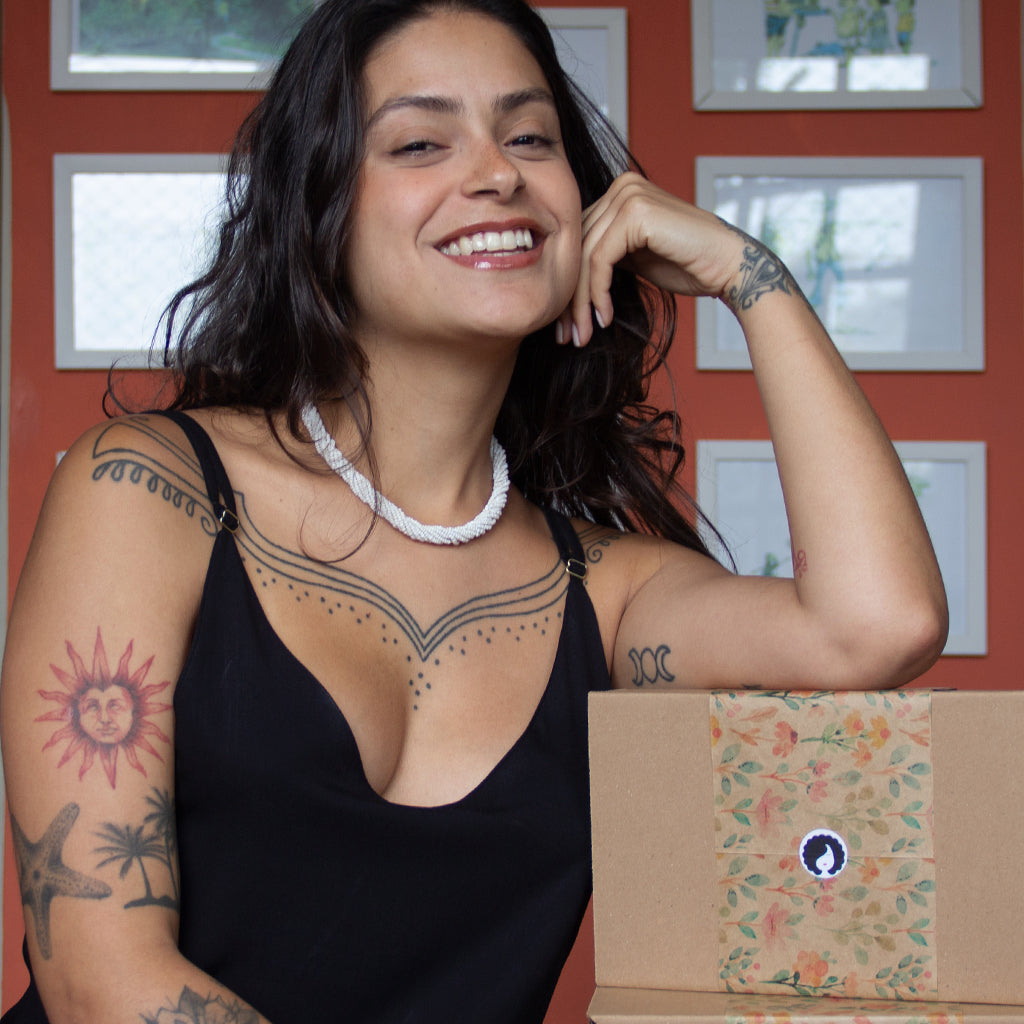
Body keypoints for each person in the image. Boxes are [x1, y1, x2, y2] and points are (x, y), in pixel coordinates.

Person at [0, 0, 948, 1021]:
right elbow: (100, 980)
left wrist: (752, 276)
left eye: (530, 137)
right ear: (318, 205)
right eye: (420, 142)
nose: (497, 173)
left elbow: (878, 626)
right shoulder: (151, 490)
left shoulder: (610, 598)